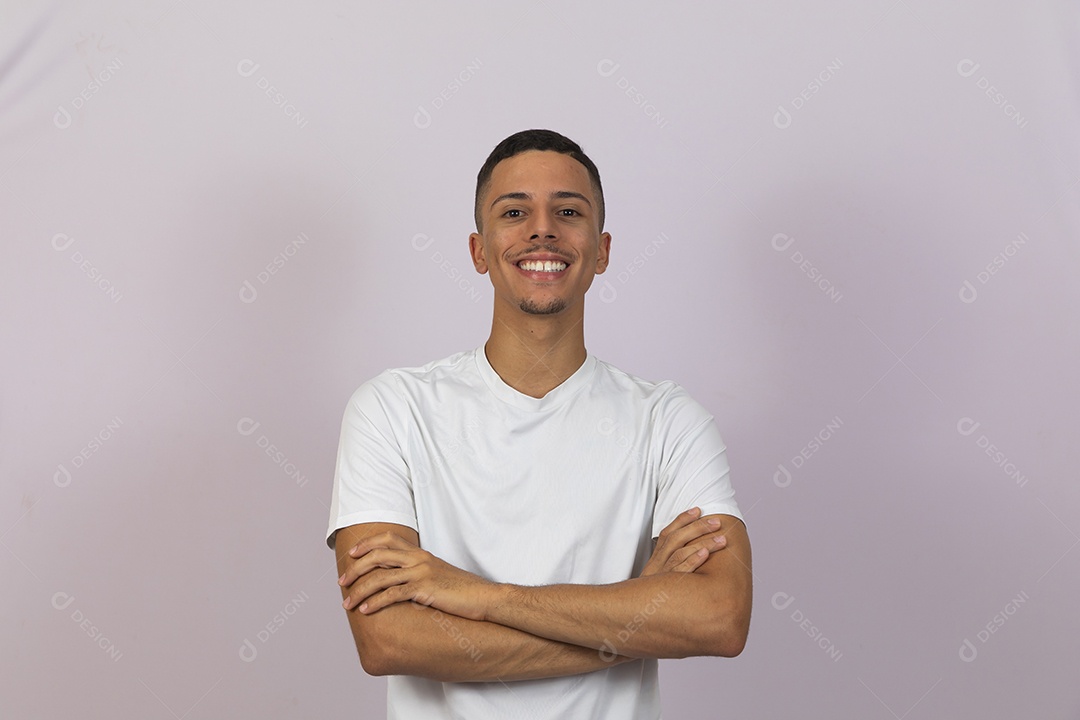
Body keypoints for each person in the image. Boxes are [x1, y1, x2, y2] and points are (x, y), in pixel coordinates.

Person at [326, 128, 752, 719]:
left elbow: (719, 617)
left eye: (568, 211)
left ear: (602, 250)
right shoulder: (392, 409)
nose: (542, 229)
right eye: (515, 211)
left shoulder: (668, 420)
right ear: (479, 250)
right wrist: (635, 618)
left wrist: (477, 595)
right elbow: (388, 640)